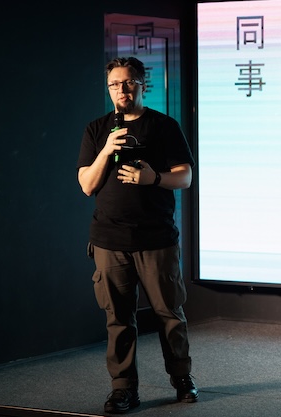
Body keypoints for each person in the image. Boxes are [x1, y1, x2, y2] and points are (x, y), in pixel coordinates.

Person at [76, 56, 198, 414]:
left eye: (128, 82)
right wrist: (107, 150)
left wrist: (153, 178)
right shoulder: (97, 130)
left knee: (169, 314)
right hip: (109, 240)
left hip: (156, 240)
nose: (121, 90)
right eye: (114, 84)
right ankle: (123, 389)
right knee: (118, 318)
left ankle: (181, 377)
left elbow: (185, 177)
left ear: (142, 85)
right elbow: (87, 185)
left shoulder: (164, 126)